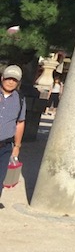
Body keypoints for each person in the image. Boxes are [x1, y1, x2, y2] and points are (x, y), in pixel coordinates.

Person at [0, 65, 26, 200]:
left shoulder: (20, 99)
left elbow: (20, 123)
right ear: (2, 78)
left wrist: (17, 146)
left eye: (14, 80)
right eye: (8, 78)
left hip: (4, 147)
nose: (10, 82)